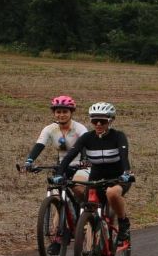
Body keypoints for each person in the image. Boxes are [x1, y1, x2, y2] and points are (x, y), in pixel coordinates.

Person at [55, 102, 134, 247]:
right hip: (96, 177)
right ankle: (89, 251)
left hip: (117, 177)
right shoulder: (87, 137)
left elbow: (124, 156)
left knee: (112, 193)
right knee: (88, 207)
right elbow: (70, 155)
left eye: (102, 121)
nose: (98, 124)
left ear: (110, 120)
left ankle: (123, 223)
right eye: (94, 120)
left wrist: (126, 173)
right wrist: (59, 173)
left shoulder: (118, 136)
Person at [23, 95, 90, 255]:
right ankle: (58, 239)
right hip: (61, 168)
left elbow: (85, 146)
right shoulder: (49, 129)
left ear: (71, 112)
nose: (61, 115)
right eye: (58, 112)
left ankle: (86, 214)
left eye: (65, 112)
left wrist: (85, 160)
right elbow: (39, 145)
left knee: (79, 190)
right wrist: (29, 161)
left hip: (80, 167)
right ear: (54, 113)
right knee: (58, 198)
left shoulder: (79, 128)